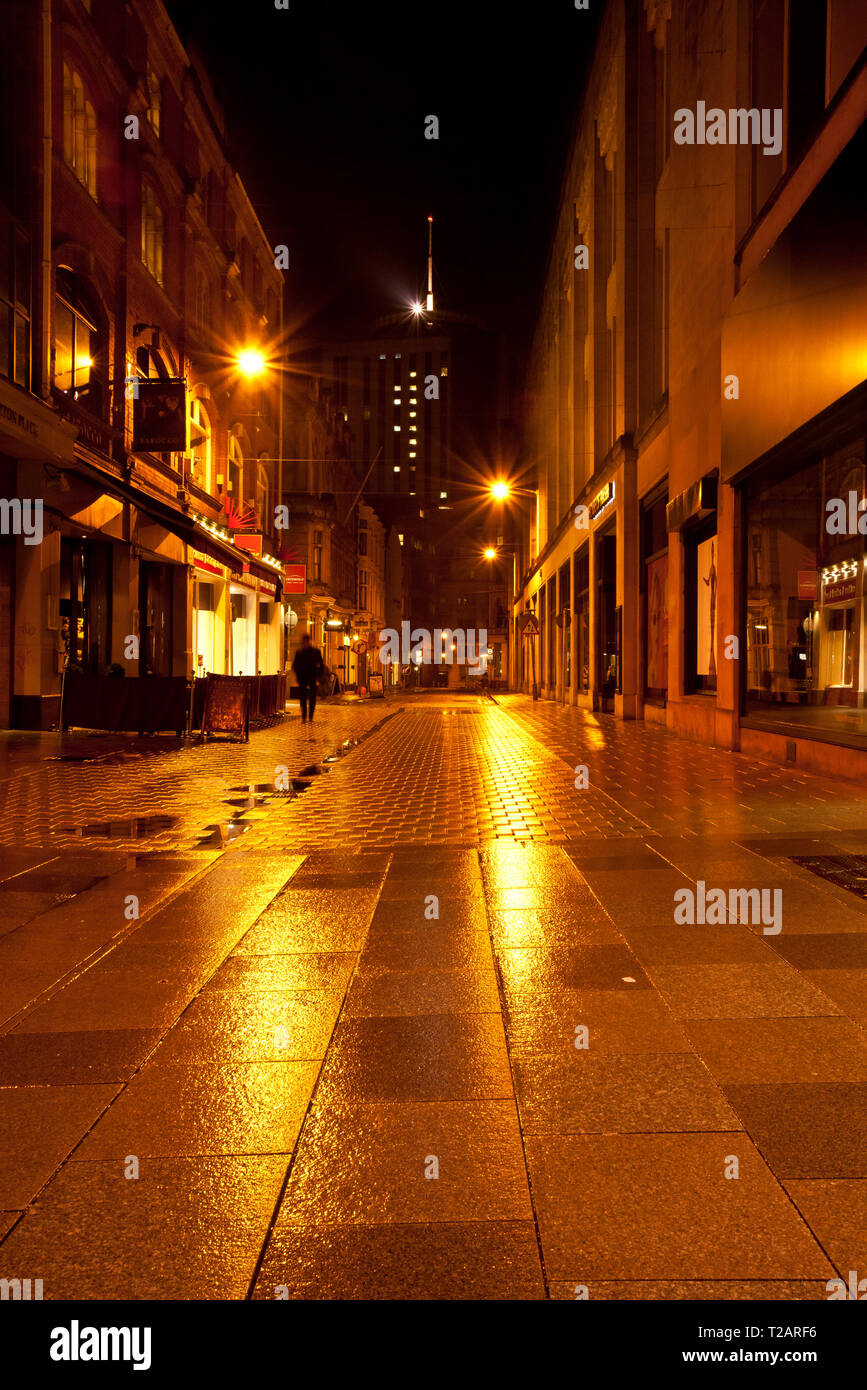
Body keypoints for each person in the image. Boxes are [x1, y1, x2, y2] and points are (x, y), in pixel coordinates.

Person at [292, 633, 324, 722]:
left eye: (305, 641)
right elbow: (295, 665)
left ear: (308, 641)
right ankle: (304, 715)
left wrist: (318, 675)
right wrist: (298, 675)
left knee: (311, 697)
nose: (304, 643)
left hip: (311, 677)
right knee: (303, 698)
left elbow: (321, 664)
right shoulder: (299, 653)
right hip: (303, 678)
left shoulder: (315, 652)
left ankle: (310, 716)